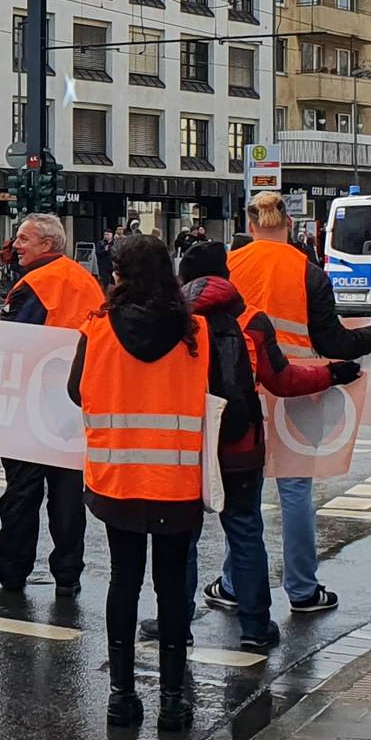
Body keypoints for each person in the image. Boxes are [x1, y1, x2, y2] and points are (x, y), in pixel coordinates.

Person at [137, 240, 348, 656]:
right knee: (246, 532)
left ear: (185, 278)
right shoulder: (252, 319)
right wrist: (331, 374)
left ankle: (175, 623)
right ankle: (255, 626)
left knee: (181, 538)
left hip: (187, 447)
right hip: (241, 446)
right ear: (228, 277)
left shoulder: (170, 320)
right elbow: (282, 381)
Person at [224, 191, 371, 616]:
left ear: (250, 225)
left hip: (242, 387)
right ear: (289, 225)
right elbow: (334, 342)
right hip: (300, 388)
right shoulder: (307, 271)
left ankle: (233, 581)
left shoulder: (230, 266)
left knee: (241, 493)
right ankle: (302, 589)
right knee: (296, 490)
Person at [76, 235, 209, 731]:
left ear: (121, 275)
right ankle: (173, 701)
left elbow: (76, 390)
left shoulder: (97, 329)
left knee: (123, 582)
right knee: (172, 587)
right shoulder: (194, 330)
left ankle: (121, 697)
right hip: (176, 480)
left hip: (118, 479)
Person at [0, 213, 100, 594]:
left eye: (23, 238)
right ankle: (68, 573)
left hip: (31, 403)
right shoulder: (86, 281)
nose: (15, 244)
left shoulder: (35, 285)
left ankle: (12, 568)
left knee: (22, 491)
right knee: (67, 494)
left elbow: (10, 342)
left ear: (47, 245)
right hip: (73, 403)